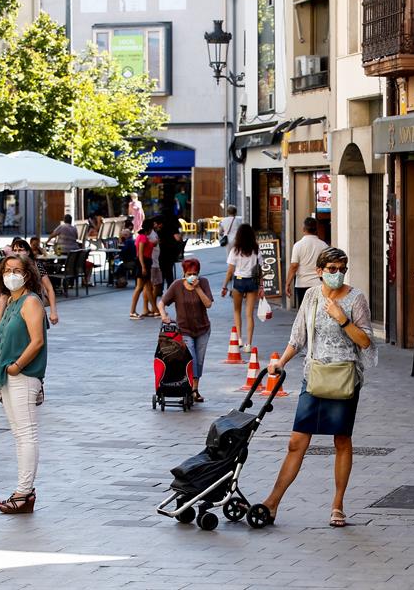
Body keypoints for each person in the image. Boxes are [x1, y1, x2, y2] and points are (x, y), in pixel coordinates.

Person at [262, 247, 377, 527]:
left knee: (341, 440)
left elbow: (365, 341)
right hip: (313, 376)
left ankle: (338, 505)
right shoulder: (312, 296)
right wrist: (282, 362)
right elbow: (298, 336)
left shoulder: (356, 298)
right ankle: (272, 502)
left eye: (342, 269)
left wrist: (342, 318)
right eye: (332, 269)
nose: (337, 274)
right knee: (296, 442)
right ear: (320, 271)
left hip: (344, 378)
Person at [0, 253, 47, 514]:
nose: (10, 274)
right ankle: (24, 490)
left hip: (22, 376)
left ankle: (24, 492)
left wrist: (16, 366)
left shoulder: (31, 301)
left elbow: (37, 341)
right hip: (8, 378)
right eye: (6, 270)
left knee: (26, 434)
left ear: (27, 274)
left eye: (16, 270)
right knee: (18, 434)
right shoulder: (12, 301)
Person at [158, 257, 213, 404]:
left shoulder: (204, 283)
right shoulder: (177, 285)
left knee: (199, 360)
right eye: (189, 274)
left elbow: (208, 304)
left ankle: (195, 388)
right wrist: (164, 316)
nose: (192, 276)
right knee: (191, 358)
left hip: (203, 329)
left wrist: (197, 288)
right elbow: (161, 303)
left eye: (195, 273)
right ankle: (190, 389)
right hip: (184, 330)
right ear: (184, 273)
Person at [221, 224, 264, 353]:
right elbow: (260, 270)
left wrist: (224, 286)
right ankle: (248, 344)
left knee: (237, 311)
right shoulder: (256, 249)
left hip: (238, 281)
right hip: (252, 282)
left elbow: (230, 271)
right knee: (249, 314)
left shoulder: (235, 250)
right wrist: (261, 286)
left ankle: (239, 338)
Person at [3, 239, 59, 326]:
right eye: (15, 250)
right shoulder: (10, 268)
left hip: (34, 306)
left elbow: (49, 289)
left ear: (28, 252)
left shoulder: (36, 265)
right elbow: (4, 294)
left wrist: (53, 312)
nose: (17, 253)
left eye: (20, 250)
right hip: (15, 308)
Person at [286, 217, 329, 306]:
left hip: (302, 284)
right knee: (317, 312)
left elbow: (294, 266)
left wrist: (288, 284)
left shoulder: (298, 245)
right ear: (316, 230)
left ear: (303, 229)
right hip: (319, 284)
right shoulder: (324, 245)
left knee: (304, 313)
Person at [130, 219, 156, 320]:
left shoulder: (143, 237)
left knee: (148, 288)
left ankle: (155, 310)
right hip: (143, 263)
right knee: (139, 287)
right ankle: (132, 311)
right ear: (149, 229)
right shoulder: (143, 237)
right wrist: (143, 267)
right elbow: (140, 253)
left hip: (146, 262)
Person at [155, 214, 182, 289]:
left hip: (162, 252)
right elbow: (178, 238)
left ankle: (160, 289)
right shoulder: (173, 227)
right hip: (171, 252)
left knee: (162, 271)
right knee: (169, 272)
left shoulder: (159, 229)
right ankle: (170, 289)